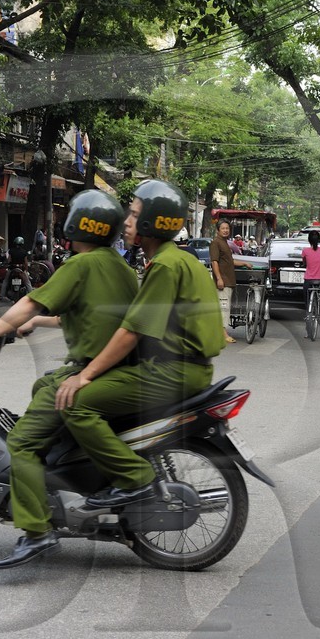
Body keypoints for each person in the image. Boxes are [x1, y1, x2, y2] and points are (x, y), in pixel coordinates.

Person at [0, 190, 137, 567]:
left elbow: (30, 301)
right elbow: (80, 310)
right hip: (117, 367)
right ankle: (57, 468)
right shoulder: (119, 266)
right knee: (41, 386)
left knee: (20, 443)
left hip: (94, 369)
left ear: (78, 224)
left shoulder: (80, 264)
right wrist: (37, 323)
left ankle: (36, 530)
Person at [54, 179, 224, 509]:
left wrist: (85, 375)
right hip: (186, 369)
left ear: (151, 222)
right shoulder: (180, 259)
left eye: (133, 215)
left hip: (171, 373)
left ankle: (136, 480)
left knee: (76, 401)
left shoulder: (164, 265)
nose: (126, 222)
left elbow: (133, 331)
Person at [208, 219, 237, 345]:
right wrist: (219, 278)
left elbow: (230, 261)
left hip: (228, 280)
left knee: (224, 307)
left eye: (227, 228)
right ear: (218, 230)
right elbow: (214, 262)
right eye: (223, 228)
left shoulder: (225, 243)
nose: (225, 230)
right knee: (224, 308)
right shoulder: (216, 243)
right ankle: (223, 334)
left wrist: (245, 263)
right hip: (223, 281)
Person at [300, 230, 320, 336]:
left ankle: (309, 333)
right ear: (319, 240)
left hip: (308, 280)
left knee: (308, 304)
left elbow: (304, 263)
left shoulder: (305, 251)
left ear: (309, 240)